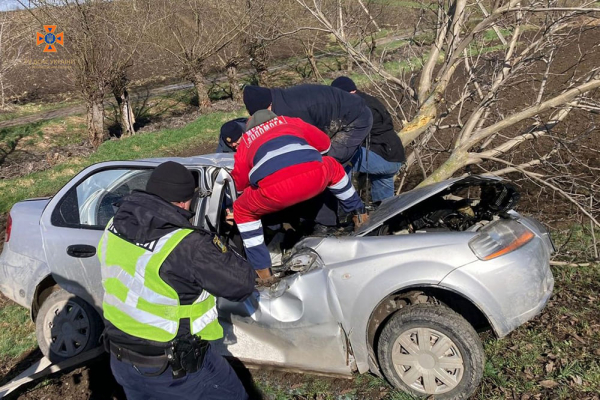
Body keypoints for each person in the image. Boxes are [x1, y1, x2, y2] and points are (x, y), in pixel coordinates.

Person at [98, 161, 255, 400]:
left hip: (122, 360)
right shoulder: (188, 245)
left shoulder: (115, 225)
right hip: (176, 369)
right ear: (184, 202)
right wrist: (223, 242)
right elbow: (242, 283)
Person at [230, 110, 368, 279]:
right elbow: (325, 144)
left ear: (250, 128)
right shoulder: (289, 121)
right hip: (314, 178)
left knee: (242, 211)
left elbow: (240, 183)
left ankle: (263, 271)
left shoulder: (247, 139)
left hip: (275, 191)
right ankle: (359, 214)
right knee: (333, 167)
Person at [242, 84, 372, 165]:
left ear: (267, 105)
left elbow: (311, 143)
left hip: (356, 117)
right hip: (333, 115)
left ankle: (341, 204)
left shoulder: (291, 112)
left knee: (328, 164)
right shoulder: (279, 98)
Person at [331, 76, 406, 203]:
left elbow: (343, 135)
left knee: (337, 164)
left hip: (382, 156)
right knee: (385, 206)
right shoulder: (368, 100)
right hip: (395, 156)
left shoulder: (356, 106)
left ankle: (344, 206)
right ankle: (386, 218)